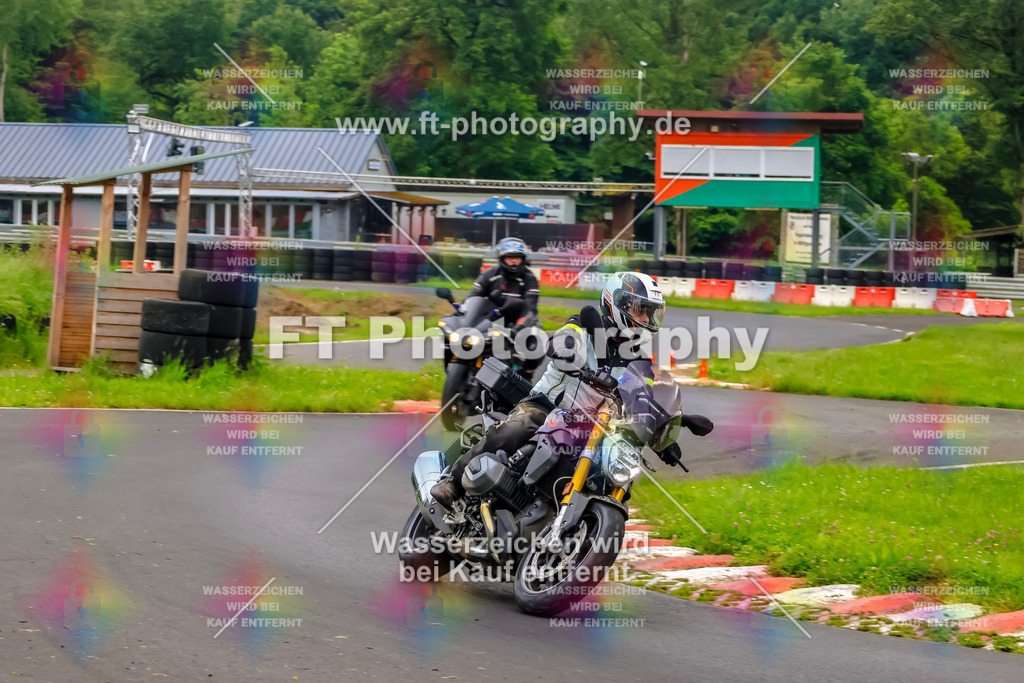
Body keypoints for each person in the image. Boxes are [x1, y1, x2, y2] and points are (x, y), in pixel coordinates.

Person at [431, 271, 686, 509]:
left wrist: (664, 433)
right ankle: (452, 479)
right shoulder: (585, 325)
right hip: (548, 407)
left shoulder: (640, 362)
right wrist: (564, 347)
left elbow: (642, 399)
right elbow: (564, 338)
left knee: (615, 476)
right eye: (640, 310)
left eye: (651, 313)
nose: (645, 320)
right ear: (616, 303)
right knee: (515, 429)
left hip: (593, 430)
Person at [470, 237, 539, 327]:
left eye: (518, 257)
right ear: (502, 258)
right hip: (491, 318)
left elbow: (530, 309)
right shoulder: (489, 275)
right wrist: (461, 313)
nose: (514, 261)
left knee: (530, 334)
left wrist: (519, 327)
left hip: (518, 320)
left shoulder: (530, 279)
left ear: (523, 259)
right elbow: (473, 298)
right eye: (510, 257)